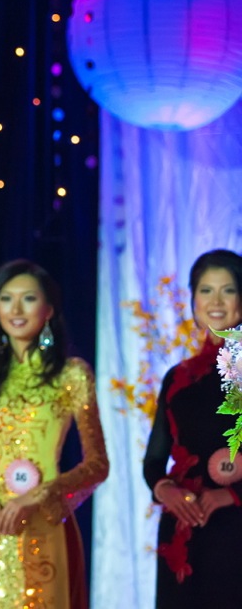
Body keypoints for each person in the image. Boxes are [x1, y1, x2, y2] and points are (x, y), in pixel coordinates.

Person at [0, 259, 108, 609]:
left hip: (46, 525)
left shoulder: (72, 376)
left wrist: (40, 495)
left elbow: (97, 464)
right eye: (6, 299)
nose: (16, 309)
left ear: (48, 309)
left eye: (29, 299)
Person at [143, 249, 242, 609]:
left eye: (227, 290)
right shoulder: (178, 377)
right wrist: (164, 488)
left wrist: (228, 497)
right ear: (193, 301)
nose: (216, 302)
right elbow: (154, 458)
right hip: (183, 530)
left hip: (234, 531)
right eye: (205, 290)